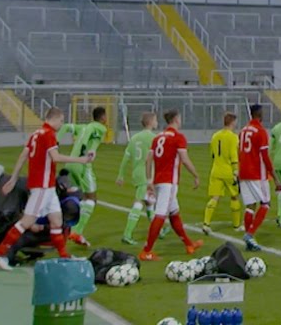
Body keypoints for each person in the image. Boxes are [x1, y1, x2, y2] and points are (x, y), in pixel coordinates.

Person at [0, 107, 95, 270]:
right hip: (42, 186)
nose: (62, 124)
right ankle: (0, 254)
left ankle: (65, 256)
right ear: (56, 118)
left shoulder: (36, 134)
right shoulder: (48, 134)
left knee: (56, 220)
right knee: (27, 221)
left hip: (48, 186)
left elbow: (24, 154)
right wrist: (82, 160)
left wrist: (14, 177)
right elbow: (56, 157)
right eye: (61, 121)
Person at [138, 110, 203, 261]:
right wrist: (196, 175)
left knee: (174, 212)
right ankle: (146, 251)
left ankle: (189, 244)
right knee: (161, 214)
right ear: (175, 119)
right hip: (169, 181)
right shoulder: (178, 138)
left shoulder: (158, 137)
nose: (180, 120)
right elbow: (185, 160)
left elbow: (148, 160)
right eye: (179, 118)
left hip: (159, 180)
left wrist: (149, 180)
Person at [64, 107, 109, 246]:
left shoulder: (85, 127)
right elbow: (89, 138)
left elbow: (68, 127)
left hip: (71, 162)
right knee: (91, 198)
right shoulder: (100, 128)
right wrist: (86, 151)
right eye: (106, 116)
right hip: (83, 165)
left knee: (81, 197)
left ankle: (70, 229)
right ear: (102, 117)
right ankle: (76, 231)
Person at [116, 112, 160, 246]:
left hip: (136, 172)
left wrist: (121, 174)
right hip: (145, 174)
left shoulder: (134, 138)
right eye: (155, 120)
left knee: (149, 202)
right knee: (139, 203)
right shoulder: (154, 138)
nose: (157, 122)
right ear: (151, 122)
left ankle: (158, 230)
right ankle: (127, 234)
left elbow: (126, 157)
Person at [237, 104, 275, 251]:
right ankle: (250, 234)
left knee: (250, 205)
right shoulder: (260, 131)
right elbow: (265, 157)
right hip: (257, 174)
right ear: (259, 114)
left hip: (244, 172)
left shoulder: (243, 131)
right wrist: (275, 177)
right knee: (265, 204)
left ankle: (250, 242)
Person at [202, 112, 242, 236]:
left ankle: (206, 223)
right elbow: (233, 155)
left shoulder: (215, 135)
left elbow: (212, 154)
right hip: (228, 170)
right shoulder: (233, 137)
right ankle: (236, 225)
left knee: (214, 197)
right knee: (234, 196)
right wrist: (236, 170)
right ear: (232, 122)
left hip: (216, 169)